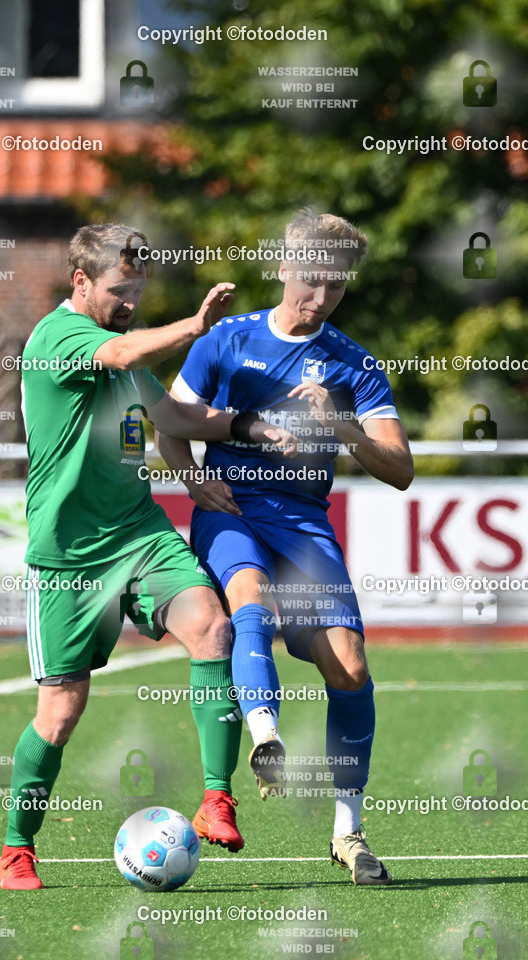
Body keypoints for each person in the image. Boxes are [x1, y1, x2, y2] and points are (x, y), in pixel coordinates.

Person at [0, 223, 296, 889]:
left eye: (138, 290)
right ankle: (18, 846)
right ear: (81, 283)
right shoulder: (58, 339)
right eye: (119, 290)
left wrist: (251, 426)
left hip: (140, 535)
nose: (131, 302)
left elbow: (177, 419)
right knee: (60, 712)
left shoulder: (127, 359)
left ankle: (216, 797)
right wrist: (193, 327)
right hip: (69, 561)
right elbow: (122, 351)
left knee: (212, 627)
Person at [158, 208, 414, 885]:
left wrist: (344, 428)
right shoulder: (226, 339)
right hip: (233, 507)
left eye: (336, 286)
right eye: (310, 281)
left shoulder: (354, 363)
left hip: (303, 520)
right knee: (250, 599)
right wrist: (191, 479)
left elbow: (400, 469)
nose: (320, 297)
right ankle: (266, 737)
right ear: (281, 266)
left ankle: (347, 833)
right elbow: (168, 420)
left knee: (350, 668)